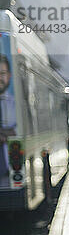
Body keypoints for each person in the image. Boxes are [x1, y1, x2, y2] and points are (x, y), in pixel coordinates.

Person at [0, 54, 16, 186]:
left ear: (9, 76)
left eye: (2, 73)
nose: (0, 78)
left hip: (8, 171)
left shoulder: (16, 104)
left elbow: (18, 131)